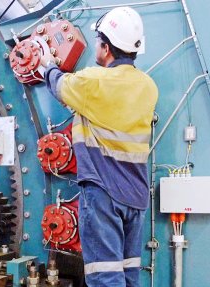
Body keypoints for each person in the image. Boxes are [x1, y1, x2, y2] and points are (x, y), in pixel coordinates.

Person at [40, 7, 158, 287]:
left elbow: (60, 86)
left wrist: (47, 64)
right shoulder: (148, 87)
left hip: (104, 193)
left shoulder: (94, 81)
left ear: (106, 47)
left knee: (105, 276)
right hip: (136, 195)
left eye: (97, 40)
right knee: (129, 275)